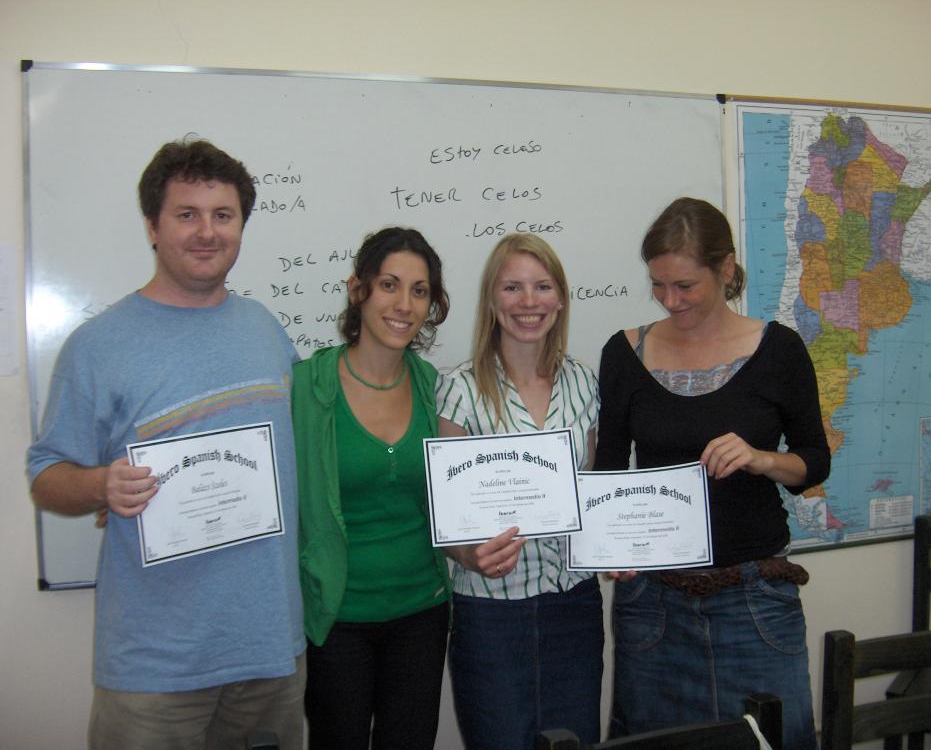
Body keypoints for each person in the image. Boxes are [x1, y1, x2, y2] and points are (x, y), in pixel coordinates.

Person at [26, 139, 305, 750]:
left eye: (223, 215)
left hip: (269, 652)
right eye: (187, 214)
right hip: (155, 671)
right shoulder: (98, 345)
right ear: (153, 226)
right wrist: (102, 484)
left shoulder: (266, 330)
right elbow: (46, 474)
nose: (207, 232)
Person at [594, 197, 831, 750]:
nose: (669, 301)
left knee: (778, 740)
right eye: (658, 285)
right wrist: (614, 548)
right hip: (652, 605)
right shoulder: (624, 352)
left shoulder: (779, 350)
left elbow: (812, 462)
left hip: (753, 599)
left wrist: (762, 459)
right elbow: (608, 471)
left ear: (725, 270)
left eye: (685, 286)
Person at [436, 232, 603, 750]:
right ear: (491, 300)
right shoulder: (458, 389)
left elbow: (588, 495)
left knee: (574, 742)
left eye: (542, 287)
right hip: (492, 615)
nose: (528, 303)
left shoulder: (584, 382)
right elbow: (448, 525)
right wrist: (471, 554)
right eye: (512, 288)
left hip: (574, 606)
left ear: (560, 298)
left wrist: (613, 544)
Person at [292, 227, 451, 750]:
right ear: (357, 289)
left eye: (420, 290)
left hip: (421, 615)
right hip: (338, 620)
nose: (404, 304)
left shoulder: (434, 387)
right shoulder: (307, 387)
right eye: (389, 284)